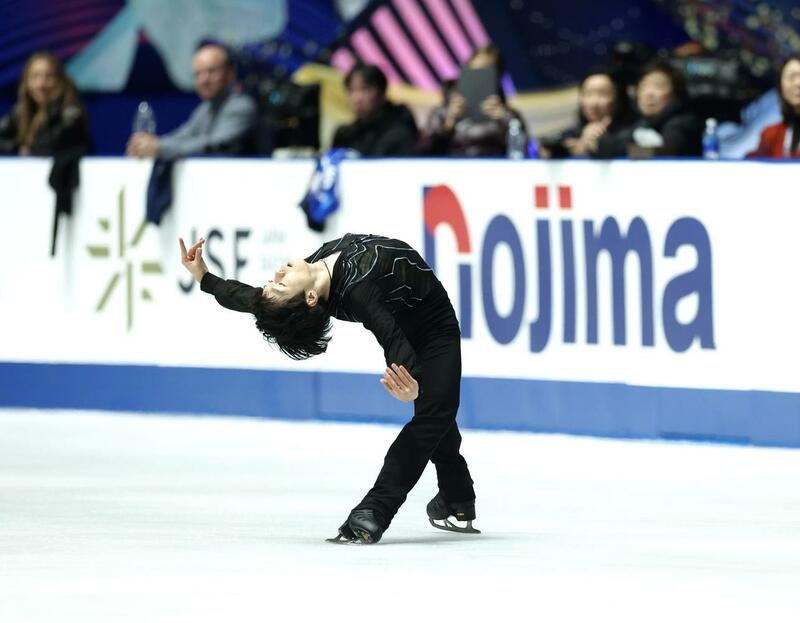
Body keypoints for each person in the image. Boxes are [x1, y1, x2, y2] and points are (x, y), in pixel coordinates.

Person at [178, 233, 478, 544]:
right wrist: (409, 380)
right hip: (433, 328)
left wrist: (204, 277)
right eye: (280, 284)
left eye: (273, 281)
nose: (278, 273)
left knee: (437, 410)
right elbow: (390, 333)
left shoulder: (311, 273)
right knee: (434, 413)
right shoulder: (359, 290)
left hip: (412, 318)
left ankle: (456, 496)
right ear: (310, 298)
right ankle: (375, 511)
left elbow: (248, 298)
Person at [126, 43, 256, 159]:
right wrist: (149, 145)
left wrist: (160, 148)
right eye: (198, 74)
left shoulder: (241, 106)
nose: (204, 80)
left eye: (211, 71)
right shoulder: (205, 109)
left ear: (230, 73)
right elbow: (183, 137)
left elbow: (215, 145)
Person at [417, 45, 527, 157]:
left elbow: (522, 150)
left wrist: (505, 119)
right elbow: (425, 151)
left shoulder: (508, 115)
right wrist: (448, 124)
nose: (479, 79)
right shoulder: (442, 113)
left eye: (487, 72)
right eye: (475, 71)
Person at [595, 60, 702, 158]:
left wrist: (619, 150)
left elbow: (666, 151)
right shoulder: (640, 123)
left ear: (676, 93)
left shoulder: (684, 123)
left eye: (658, 86)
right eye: (644, 87)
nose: (649, 93)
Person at [0, 51, 91, 157]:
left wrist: (26, 149)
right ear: (26, 82)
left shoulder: (71, 112)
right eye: (35, 77)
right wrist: (17, 148)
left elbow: (49, 146)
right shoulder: (20, 112)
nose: (41, 84)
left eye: (49, 76)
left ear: (60, 80)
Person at [538, 68, 629, 159]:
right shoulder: (572, 134)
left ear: (619, 98)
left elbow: (639, 152)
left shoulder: (634, 132)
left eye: (602, 94)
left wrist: (602, 145)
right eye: (588, 94)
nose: (593, 103)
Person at [331, 64, 418, 155]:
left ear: (381, 92)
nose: (357, 98)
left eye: (365, 89)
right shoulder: (345, 135)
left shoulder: (400, 132)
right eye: (351, 90)